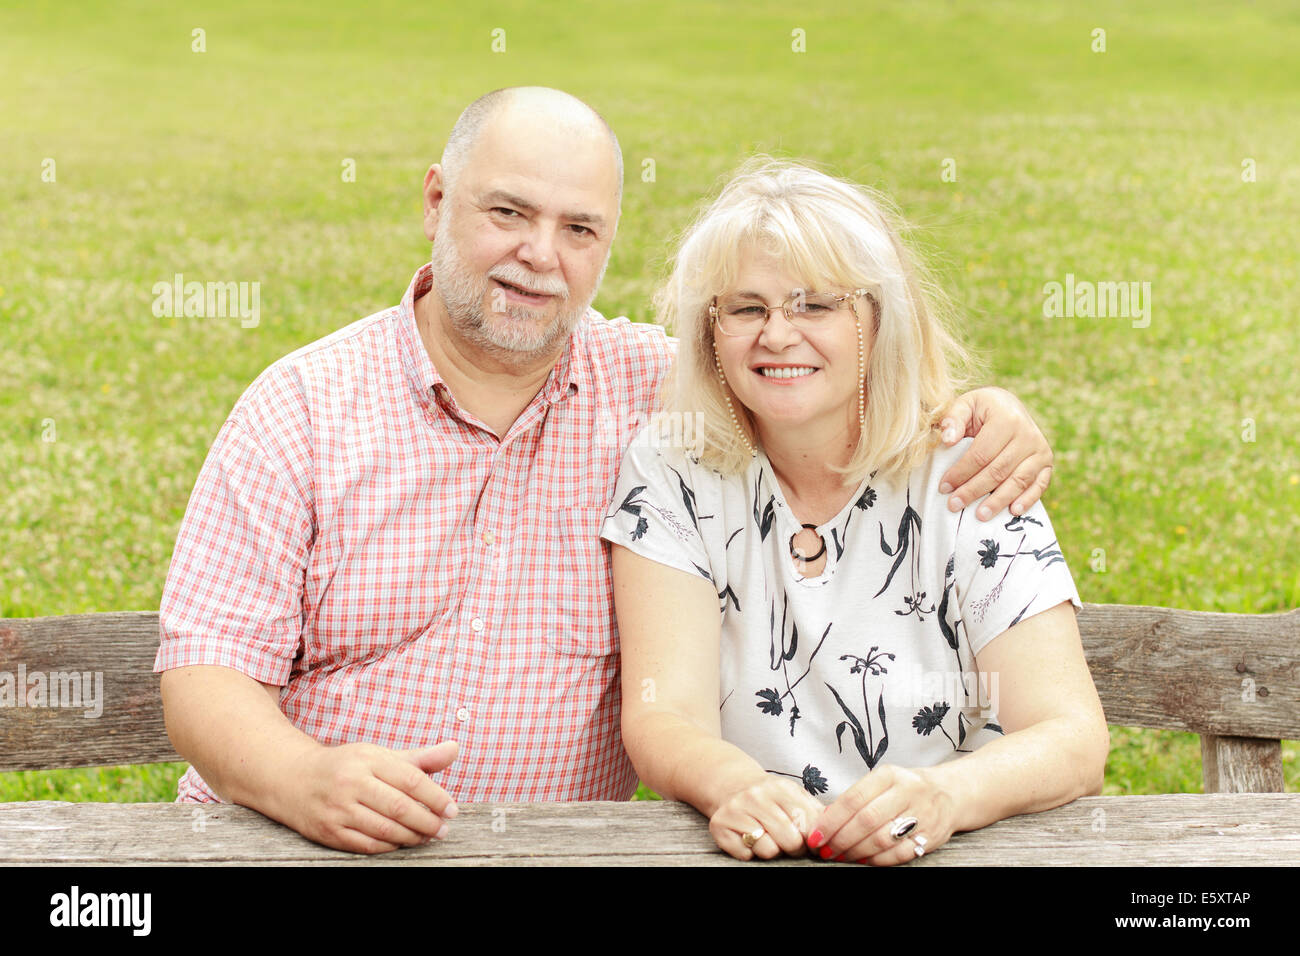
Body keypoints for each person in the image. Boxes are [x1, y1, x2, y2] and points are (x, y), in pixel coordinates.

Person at [156, 87, 1059, 855]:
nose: (540, 256)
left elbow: (811, 372)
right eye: (507, 213)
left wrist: (985, 411)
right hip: (298, 844)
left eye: (578, 228)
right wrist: (303, 779)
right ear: (437, 202)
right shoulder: (303, 408)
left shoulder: (660, 392)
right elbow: (205, 673)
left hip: (564, 856)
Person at [602, 158, 1108, 865]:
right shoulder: (673, 468)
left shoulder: (968, 467)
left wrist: (946, 796)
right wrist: (735, 787)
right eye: (747, 308)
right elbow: (665, 711)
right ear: (710, 332)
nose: (778, 334)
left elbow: (1072, 735)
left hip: (952, 850)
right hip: (759, 853)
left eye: (815, 305)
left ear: (878, 318)